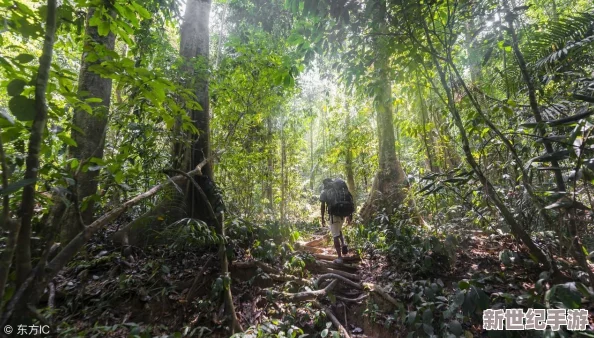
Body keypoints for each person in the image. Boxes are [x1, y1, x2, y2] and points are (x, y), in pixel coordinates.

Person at [320, 178, 353, 264]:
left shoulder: (325, 191)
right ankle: (343, 244)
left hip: (334, 215)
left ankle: (339, 258)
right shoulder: (340, 190)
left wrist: (322, 217)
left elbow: (323, 205)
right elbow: (349, 199)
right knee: (338, 230)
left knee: (335, 235)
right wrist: (349, 215)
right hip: (342, 214)